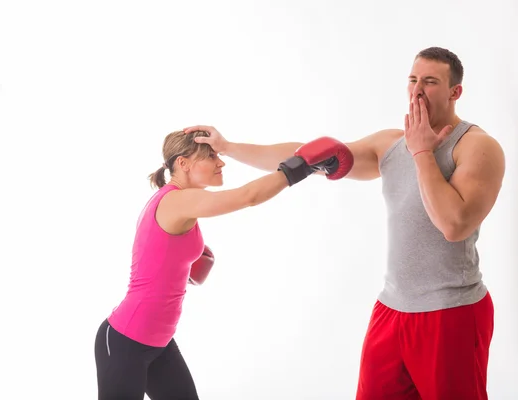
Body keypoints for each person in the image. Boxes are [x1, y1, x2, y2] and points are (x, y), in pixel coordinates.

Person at [183, 46, 506, 400]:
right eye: (412, 80)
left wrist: (423, 152)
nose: (416, 90)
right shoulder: (391, 144)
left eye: (429, 82)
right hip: (392, 309)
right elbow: (309, 154)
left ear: (454, 92)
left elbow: (454, 225)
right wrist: (228, 147)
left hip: (451, 311)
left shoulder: (477, 147)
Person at [93, 129, 354, 400]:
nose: (221, 163)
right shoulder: (176, 199)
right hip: (126, 342)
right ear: (183, 164)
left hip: (159, 343)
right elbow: (247, 196)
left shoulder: (181, 201)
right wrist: (301, 167)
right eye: (210, 156)